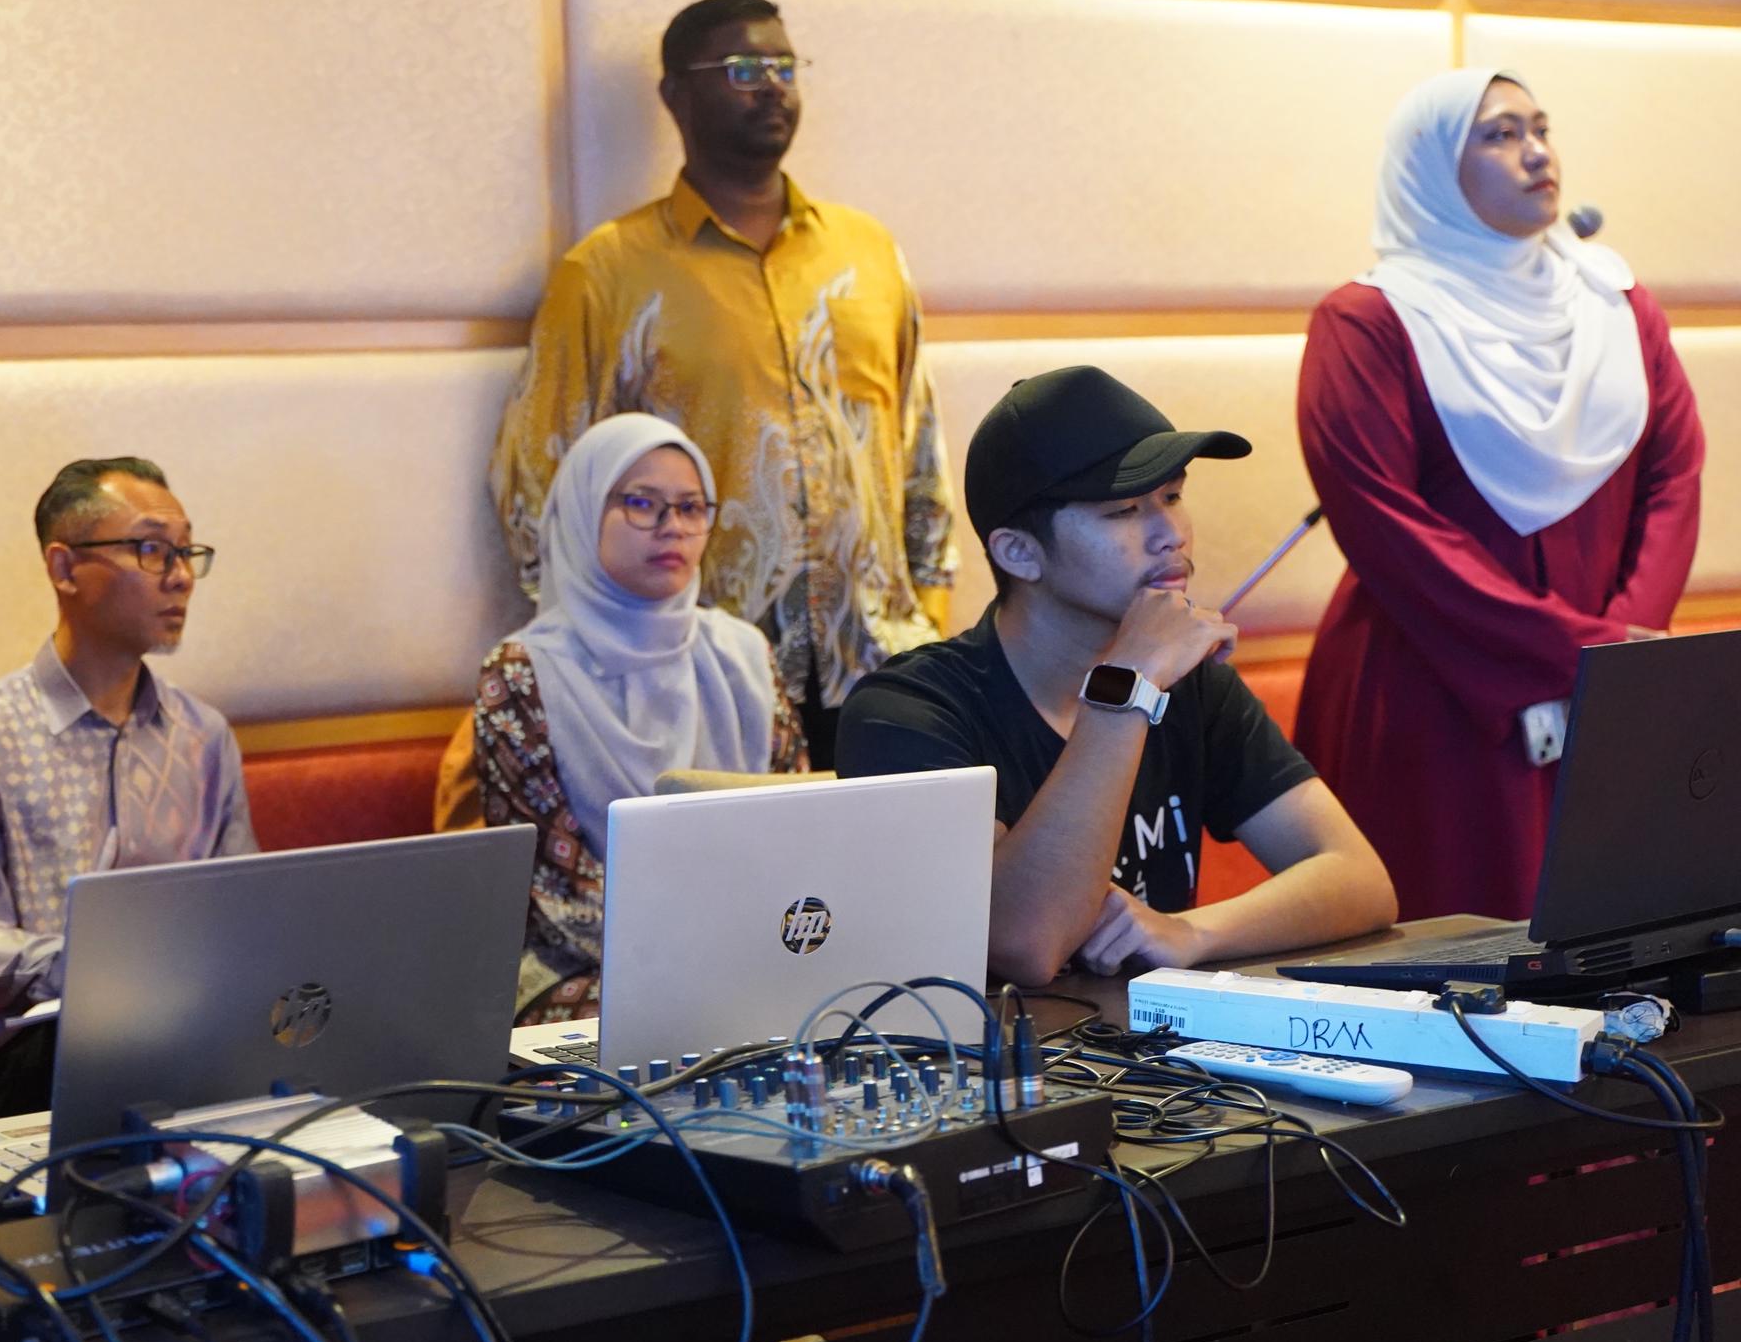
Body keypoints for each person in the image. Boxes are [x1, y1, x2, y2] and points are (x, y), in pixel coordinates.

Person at [488, 0, 955, 769]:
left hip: (879, 667)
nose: (772, 86)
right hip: (702, 684)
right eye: (743, 68)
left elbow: (919, 450)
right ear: (676, 95)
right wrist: (610, 656)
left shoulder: (868, 254)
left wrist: (930, 626)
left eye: (784, 67)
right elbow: (539, 485)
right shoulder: (608, 274)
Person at [1294, 70, 1703, 920]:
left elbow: (1674, 475)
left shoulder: (1617, 301)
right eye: (1500, 135)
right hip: (1437, 691)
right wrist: (1583, 649)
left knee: (1614, 950)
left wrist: (1624, 652)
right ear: (1430, 169)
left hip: (1605, 686)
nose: (1537, 153)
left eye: (1541, 128)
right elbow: (1388, 528)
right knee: (1451, 960)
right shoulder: (1368, 321)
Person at [836, 367, 1396, 986]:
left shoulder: (1186, 681)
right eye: (1124, 510)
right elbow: (1024, 943)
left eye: (1173, 497)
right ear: (1019, 552)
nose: (1171, 535)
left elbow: (1360, 878)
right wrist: (1124, 689)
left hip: (1157, 1046)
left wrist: (1191, 932)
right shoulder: (908, 712)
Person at [0, 458, 255, 1114]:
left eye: (186, 552)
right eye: (152, 549)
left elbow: (246, 909)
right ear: (65, 567)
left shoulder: (204, 736)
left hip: (197, 1037)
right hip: (41, 1057)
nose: (181, 576)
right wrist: (101, 967)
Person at [476, 413, 807, 1021]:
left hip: (752, 948)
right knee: (683, 1019)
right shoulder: (523, 675)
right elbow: (554, 890)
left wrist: (769, 945)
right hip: (585, 967)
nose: (672, 526)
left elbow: (800, 830)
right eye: (641, 503)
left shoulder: (746, 657)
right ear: (583, 514)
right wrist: (704, 962)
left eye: (691, 507)